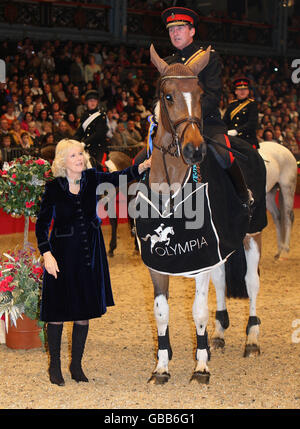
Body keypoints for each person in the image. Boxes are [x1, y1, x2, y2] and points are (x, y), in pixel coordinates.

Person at [35, 139, 151, 386]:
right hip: (61, 255)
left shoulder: (92, 179)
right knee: (56, 312)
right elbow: (42, 225)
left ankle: (76, 365)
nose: (79, 158)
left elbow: (120, 177)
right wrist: (47, 254)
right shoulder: (54, 187)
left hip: (90, 255)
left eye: (81, 154)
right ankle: (54, 366)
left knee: (83, 312)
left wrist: (141, 167)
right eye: (74, 155)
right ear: (63, 161)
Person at [159, 6, 251, 206]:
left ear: (192, 31)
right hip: (176, 128)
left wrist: (190, 116)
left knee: (224, 155)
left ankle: (243, 197)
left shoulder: (207, 57)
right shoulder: (167, 63)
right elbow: (162, 97)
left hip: (206, 122)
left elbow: (213, 94)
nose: (175, 33)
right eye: (171, 30)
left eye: (180, 28)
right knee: (142, 159)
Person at [74, 89, 108, 170]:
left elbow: (98, 134)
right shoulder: (84, 116)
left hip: (98, 148)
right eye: (90, 100)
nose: (92, 103)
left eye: (94, 100)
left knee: (99, 168)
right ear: (86, 102)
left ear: (97, 102)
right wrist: (71, 142)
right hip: (86, 149)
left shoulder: (101, 116)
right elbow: (79, 133)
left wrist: (84, 143)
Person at [223, 78, 259, 149]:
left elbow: (252, 123)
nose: (242, 91)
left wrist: (237, 131)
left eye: (245, 89)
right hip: (232, 139)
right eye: (239, 89)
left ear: (248, 91)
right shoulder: (231, 105)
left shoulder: (252, 104)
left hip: (247, 139)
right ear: (236, 91)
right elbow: (225, 121)